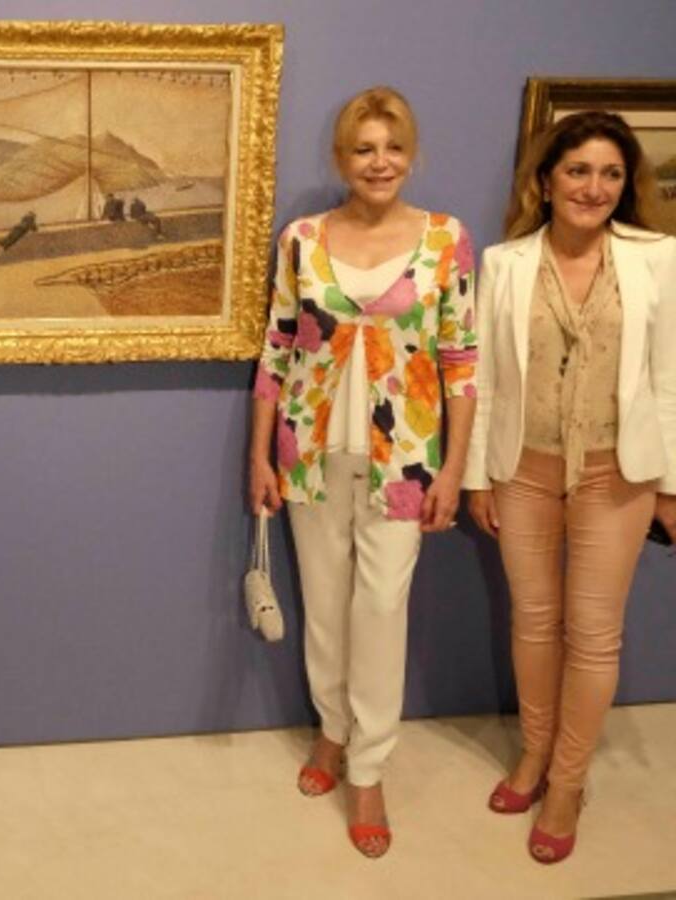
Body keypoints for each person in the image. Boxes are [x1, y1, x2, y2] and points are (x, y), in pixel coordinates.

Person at [248, 86, 477, 859]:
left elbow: (462, 362)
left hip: (406, 461)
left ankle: (369, 766)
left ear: (412, 154)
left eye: (393, 147)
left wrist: (454, 469)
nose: (380, 162)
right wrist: (259, 454)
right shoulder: (303, 240)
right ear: (340, 158)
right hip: (309, 454)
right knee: (325, 605)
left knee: (380, 609)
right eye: (364, 149)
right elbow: (277, 349)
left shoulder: (446, 239)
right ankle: (332, 730)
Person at [464, 111, 676, 864]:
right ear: (546, 181)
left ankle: (568, 781)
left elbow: (670, 379)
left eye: (611, 173)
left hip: (619, 472)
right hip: (522, 468)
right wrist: (478, 477)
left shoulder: (658, 258)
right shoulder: (505, 263)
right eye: (578, 170)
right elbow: (485, 376)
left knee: (592, 633)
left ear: (627, 184)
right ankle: (535, 751)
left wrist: (671, 487)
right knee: (532, 621)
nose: (594, 187)